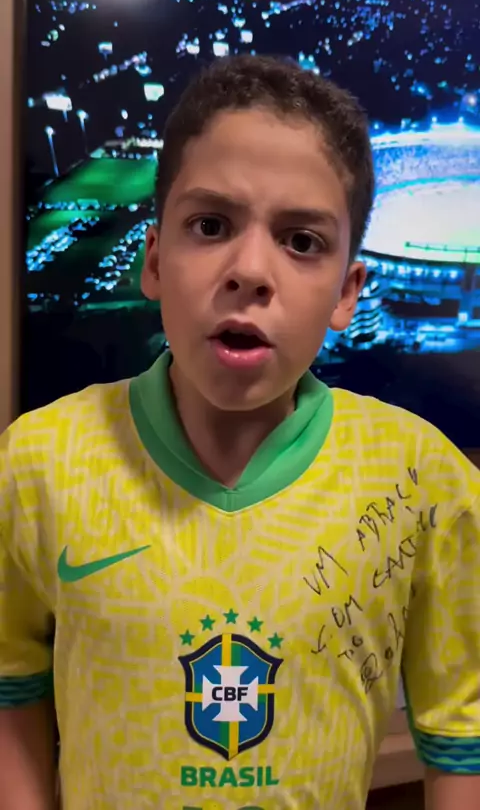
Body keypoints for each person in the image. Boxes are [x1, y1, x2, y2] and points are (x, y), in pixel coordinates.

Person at [0, 55, 479, 810]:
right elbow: (13, 687)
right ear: (155, 261)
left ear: (347, 292)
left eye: (302, 241)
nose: (251, 269)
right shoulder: (38, 462)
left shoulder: (424, 479)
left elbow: (461, 738)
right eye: (211, 225)